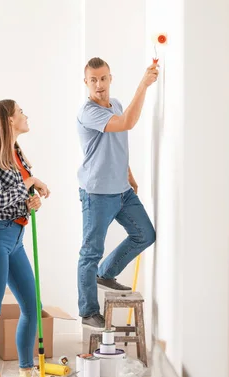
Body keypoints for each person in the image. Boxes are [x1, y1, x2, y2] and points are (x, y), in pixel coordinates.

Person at [0, 99, 59, 377]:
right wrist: (31, 183)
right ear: (9, 121)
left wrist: (31, 201)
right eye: (20, 112)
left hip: (16, 238)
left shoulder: (17, 154)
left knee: (32, 306)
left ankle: (26, 375)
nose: (25, 115)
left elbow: (17, 197)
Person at [76, 58, 158, 329]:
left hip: (122, 190)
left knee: (145, 234)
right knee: (90, 252)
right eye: (93, 80)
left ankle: (106, 274)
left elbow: (118, 143)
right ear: (86, 83)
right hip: (97, 193)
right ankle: (89, 311)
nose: (99, 85)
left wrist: (129, 175)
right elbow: (126, 124)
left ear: (110, 78)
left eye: (103, 78)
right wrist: (144, 84)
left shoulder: (118, 104)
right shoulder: (89, 112)